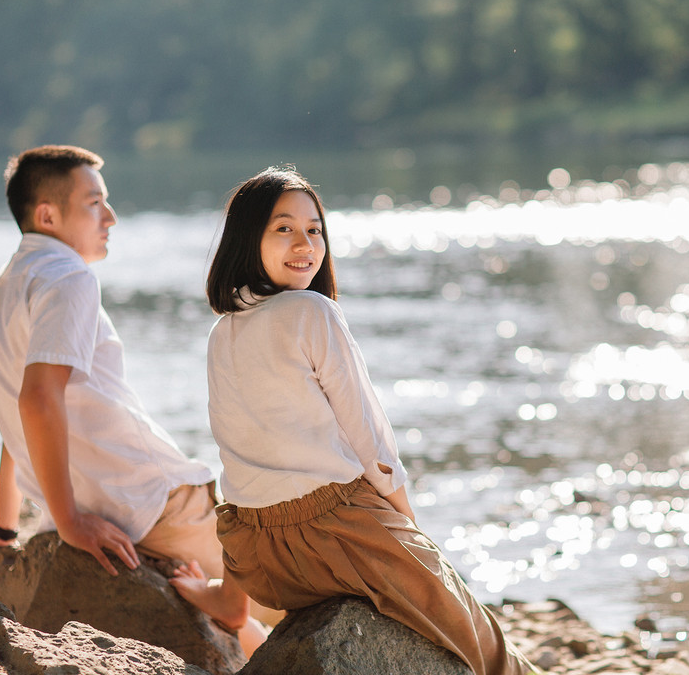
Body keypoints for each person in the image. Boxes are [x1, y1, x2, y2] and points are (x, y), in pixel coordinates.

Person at [203, 166, 537, 675]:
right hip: (335, 532)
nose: (305, 243)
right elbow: (373, 444)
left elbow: (233, 447)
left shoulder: (221, 333)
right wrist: (411, 532)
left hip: (262, 559)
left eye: (314, 229)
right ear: (248, 238)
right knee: (480, 638)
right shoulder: (311, 311)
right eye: (284, 228)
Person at [0, 145, 266, 655]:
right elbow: (36, 401)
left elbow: (21, 412)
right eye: (95, 203)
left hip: (106, 506)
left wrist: (5, 525)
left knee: (220, 616)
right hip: (151, 501)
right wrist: (73, 523)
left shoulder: (0, 290)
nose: (111, 217)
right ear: (48, 214)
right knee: (287, 587)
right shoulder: (69, 277)